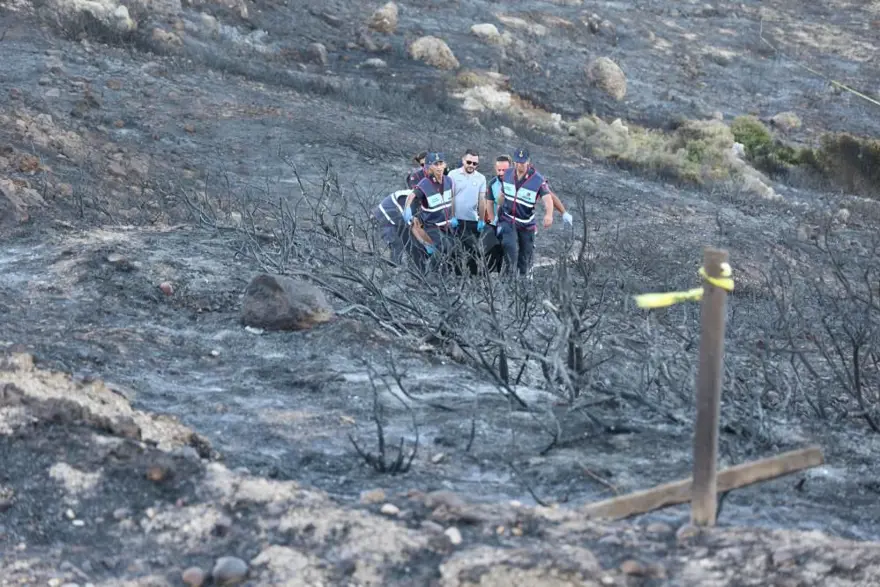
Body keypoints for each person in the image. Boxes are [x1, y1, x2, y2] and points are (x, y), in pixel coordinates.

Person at [496, 147, 555, 276]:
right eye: (517, 162)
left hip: (526, 222)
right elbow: (502, 193)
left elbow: (547, 198)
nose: (519, 165)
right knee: (509, 247)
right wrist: (499, 204)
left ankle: (523, 284)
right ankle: (507, 280)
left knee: (525, 256)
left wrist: (549, 214)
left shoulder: (538, 179)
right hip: (508, 219)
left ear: (528, 161)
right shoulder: (507, 174)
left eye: (522, 162)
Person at [403, 152, 457, 269]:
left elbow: (452, 199)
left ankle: (441, 273)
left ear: (445, 165)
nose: (438, 167)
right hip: (431, 225)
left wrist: (454, 216)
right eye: (435, 164)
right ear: (429, 167)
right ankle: (430, 273)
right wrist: (407, 211)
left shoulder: (449, 181)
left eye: (440, 163)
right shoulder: (425, 183)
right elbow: (411, 196)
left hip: (446, 223)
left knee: (452, 247)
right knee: (442, 247)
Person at [447, 149, 487, 274]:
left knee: (473, 250)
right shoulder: (452, 175)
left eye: (475, 164)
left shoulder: (481, 178)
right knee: (454, 249)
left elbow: (482, 200)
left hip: (471, 220)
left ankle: (472, 277)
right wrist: (451, 216)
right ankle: (453, 276)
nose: (471, 165)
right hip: (455, 220)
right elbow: (450, 196)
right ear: (463, 160)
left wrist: (481, 220)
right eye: (469, 162)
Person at [373, 189, 417, 265]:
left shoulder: (417, 200)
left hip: (395, 221)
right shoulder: (406, 198)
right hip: (384, 221)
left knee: (410, 243)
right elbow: (408, 218)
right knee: (397, 244)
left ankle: (411, 268)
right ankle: (394, 267)